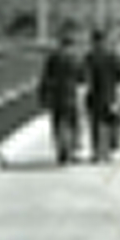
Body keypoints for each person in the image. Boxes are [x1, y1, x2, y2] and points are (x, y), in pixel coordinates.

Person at [38, 24, 83, 165]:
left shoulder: (52, 58)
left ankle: (60, 151)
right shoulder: (75, 58)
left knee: (57, 124)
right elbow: (82, 77)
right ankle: (72, 151)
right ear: (71, 44)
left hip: (56, 96)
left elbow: (45, 78)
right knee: (73, 124)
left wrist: (43, 97)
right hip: (71, 95)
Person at [84, 28, 120, 163]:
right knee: (110, 123)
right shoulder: (112, 56)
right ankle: (109, 151)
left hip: (94, 95)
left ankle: (97, 152)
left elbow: (84, 77)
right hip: (110, 94)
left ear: (93, 41)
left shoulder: (90, 57)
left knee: (95, 125)